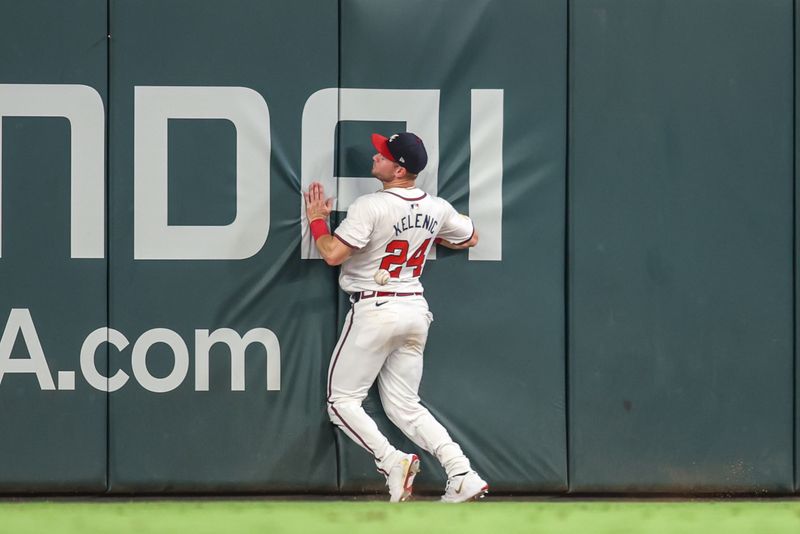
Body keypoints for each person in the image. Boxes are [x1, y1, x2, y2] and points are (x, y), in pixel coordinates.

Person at [304, 132, 488, 503]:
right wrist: (429, 233)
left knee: (342, 402)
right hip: (414, 310)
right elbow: (470, 237)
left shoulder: (371, 206)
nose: (376, 155)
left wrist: (318, 220)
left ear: (399, 167)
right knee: (405, 406)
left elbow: (333, 254)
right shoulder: (435, 208)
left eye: (384, 154)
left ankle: (391, 461)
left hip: (376, 307)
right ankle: (461, 471)